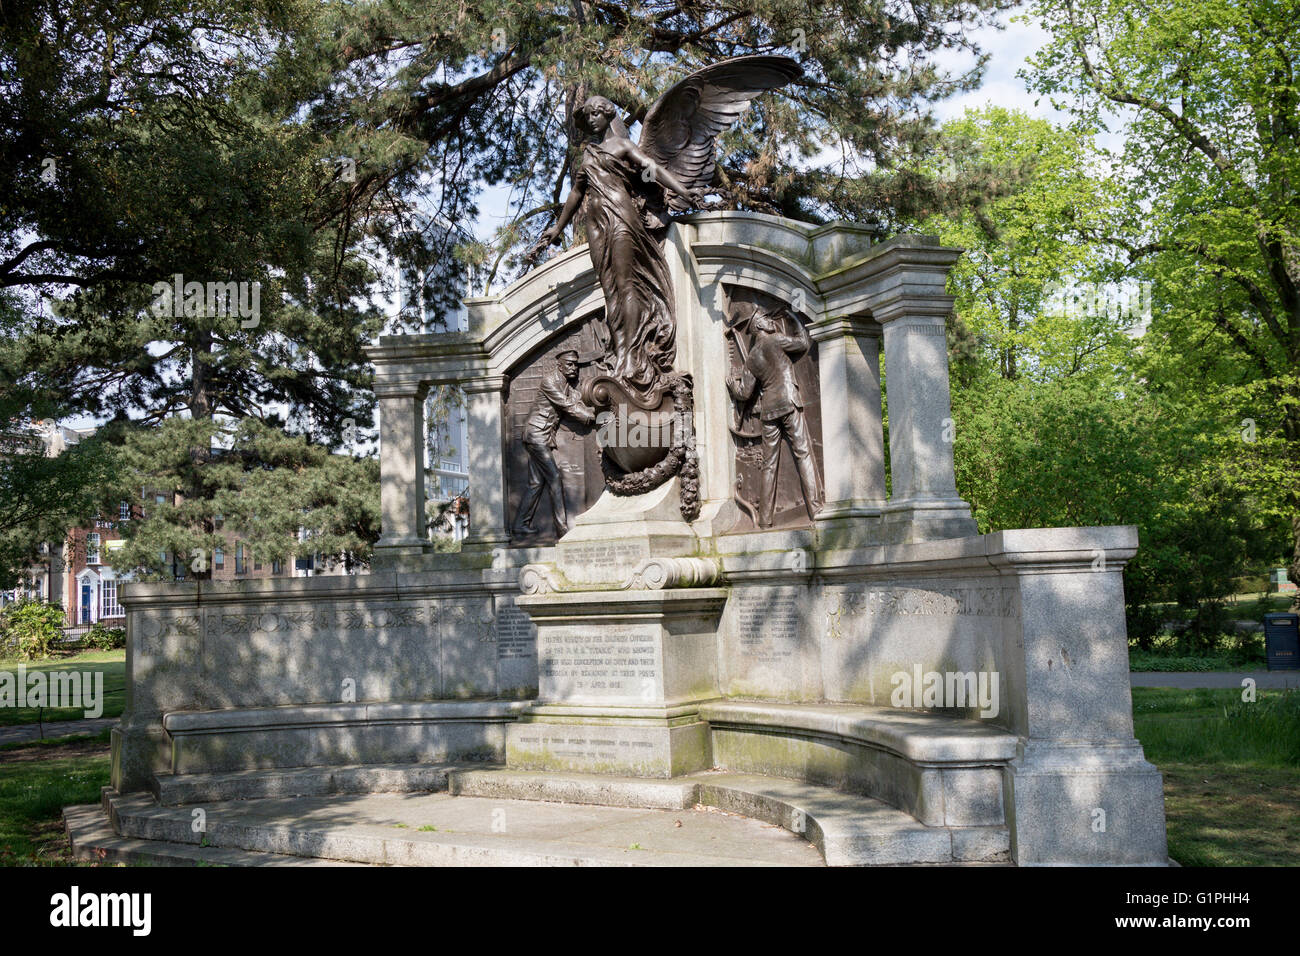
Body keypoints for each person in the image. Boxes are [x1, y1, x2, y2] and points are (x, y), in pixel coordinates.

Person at [526, 96, 704, 397]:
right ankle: (621, 348)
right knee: (610, 290)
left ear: (607, 115)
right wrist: (557, 227)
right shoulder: (589, 154)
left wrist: (684, 190)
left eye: (595, 114)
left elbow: (653, 169)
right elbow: (576, 192)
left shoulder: (623, 146)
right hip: (595, 222)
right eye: (588, 117)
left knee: (626, 285)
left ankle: (630, 356)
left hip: (621, 215)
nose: (591, 121)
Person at [727, 310, 824, 527]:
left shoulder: (751, 358)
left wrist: (732, 385)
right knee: (803, 454)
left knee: (769, 465)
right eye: (766, 319)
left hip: (769, 411)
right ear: (759, 326)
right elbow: (802, 343)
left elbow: (744, 393)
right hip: (789, 403)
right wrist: (794, 318)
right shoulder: (776, 340)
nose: (771, 321)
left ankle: (764, 521)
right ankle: (816, 510)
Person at [513, 350, 596, 537]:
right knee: (555, 479)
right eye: (570, 364)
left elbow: (575, 400)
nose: (574, 367)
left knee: (535, 484)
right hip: (537, 434)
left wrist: (594, 408)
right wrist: (589, 417)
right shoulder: (550, 381)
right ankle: (562, 528)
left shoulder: (565, 383)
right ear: (559, 365)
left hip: (541, 435)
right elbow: (566, 404)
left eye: (576, 364)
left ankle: (520, 524)